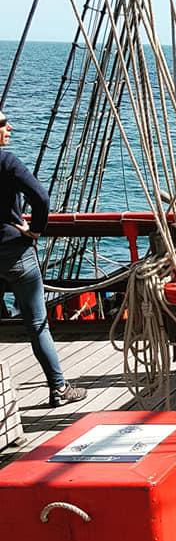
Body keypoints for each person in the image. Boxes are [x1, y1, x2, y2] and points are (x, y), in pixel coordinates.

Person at [0, 111, 86, 407]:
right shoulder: (7, 162)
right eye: (2, 123)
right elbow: (41, 198)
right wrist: (35, 230)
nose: (9, 126)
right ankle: (58, 389)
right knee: (37, 324)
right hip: (16, 254)